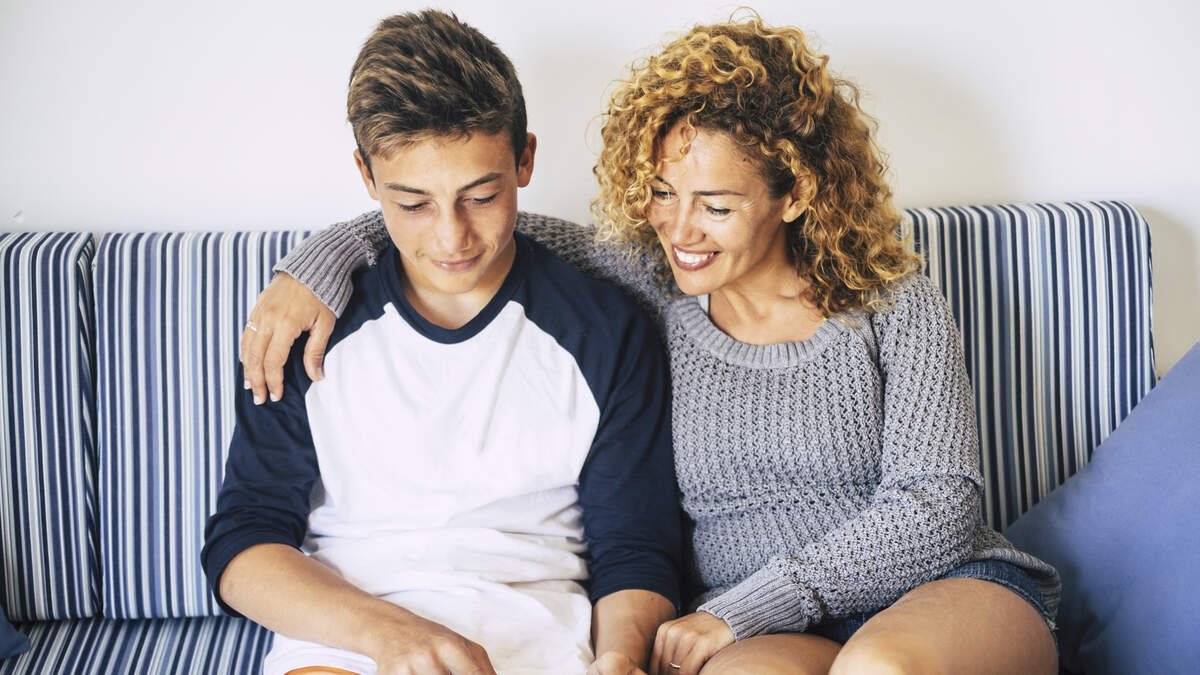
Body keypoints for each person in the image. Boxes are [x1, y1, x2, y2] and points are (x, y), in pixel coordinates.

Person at [242, 12, 1062, 675]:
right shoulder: (663, 286)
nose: (680, 230)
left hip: (935, 594)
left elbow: (937, 508)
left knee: (878, 667)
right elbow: (479, 230)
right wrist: (323, 260)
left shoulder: (893, 303)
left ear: (795, 193)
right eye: (664, 194)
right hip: (762, 634)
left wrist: (741, 609)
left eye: (716, 204)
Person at [202, 10, 683, 675]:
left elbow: (635, 548)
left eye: (480, 196)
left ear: (525, 159)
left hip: (541, 638)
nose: (452, 237)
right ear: (367, 177)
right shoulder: (303, 327)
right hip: (346, 636)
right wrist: (392, 636)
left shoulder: (605, 330)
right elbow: (243, 541)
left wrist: (621, 657)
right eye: (413, 204)